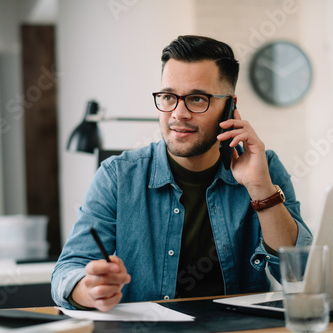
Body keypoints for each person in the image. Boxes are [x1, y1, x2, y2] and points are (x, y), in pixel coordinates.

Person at [51, 35, 312, 311]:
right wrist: (88, 289)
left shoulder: (265, 169)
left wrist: (260, 188)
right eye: (168, 97)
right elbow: (66, 271)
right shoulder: (118, 176)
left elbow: (300, 274)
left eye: (197, 99)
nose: (178, 113)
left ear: (230, 106)